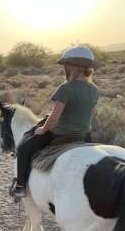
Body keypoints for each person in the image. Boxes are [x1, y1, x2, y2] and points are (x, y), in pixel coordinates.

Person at [10, 46, 98, 199]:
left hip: (60, 134)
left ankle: (20, 187)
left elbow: (55, 118)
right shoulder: (94, 89)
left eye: (66, 65)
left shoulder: (65, 88)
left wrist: (43, 129)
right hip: (84, 134)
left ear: (71, 66)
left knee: (24, 148)